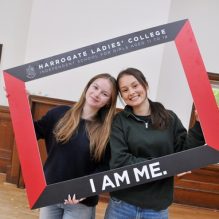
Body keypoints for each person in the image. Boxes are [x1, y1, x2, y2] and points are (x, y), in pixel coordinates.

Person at [104, 68, 205, 219]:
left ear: (145, 85)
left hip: (157, 208)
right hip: (122, 204)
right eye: (125, 90)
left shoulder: (169, 118)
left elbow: (184, 154)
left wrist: (199, 126)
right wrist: (166, 166)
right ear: (122, 96)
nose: (131, 92)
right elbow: (119, 161)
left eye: (135, 85)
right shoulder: (119, 122)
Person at [34, 73, 118, 219]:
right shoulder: (59, 114)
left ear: (109, 102)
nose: (97, 94)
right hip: (51, 194)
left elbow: (105, 167)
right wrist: (19, 101)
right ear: (87, 87)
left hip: (80, 202)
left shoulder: (107, 132)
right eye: (95, 87)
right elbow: (31, 132)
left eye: (104, 93)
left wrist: (83, 190)